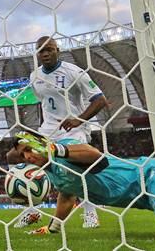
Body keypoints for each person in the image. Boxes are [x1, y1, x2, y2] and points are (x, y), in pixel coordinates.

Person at [7, 131, 155, 237]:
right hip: (141, 198)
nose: (27, 156)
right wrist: (53, 228)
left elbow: (96, 157)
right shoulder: (52, 174)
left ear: (42, 143)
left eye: (29, 149)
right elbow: (67, 195)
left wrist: (54, 149)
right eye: (22, 154)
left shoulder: (64, 148)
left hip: (150, 174)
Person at [18, 36, 108, 229]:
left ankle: (90, 213)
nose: (45, 53)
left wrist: (78, 120)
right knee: (20, 155)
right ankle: (32, 211)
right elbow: (45, 104)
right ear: (37, 54)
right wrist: (40, 132)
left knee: (74, 172)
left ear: (57, 50)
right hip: (48, 130)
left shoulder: (73, 72)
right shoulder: (35, 76)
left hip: (74, 130)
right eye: (41, 50)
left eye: (49, 49)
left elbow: (100, 100)